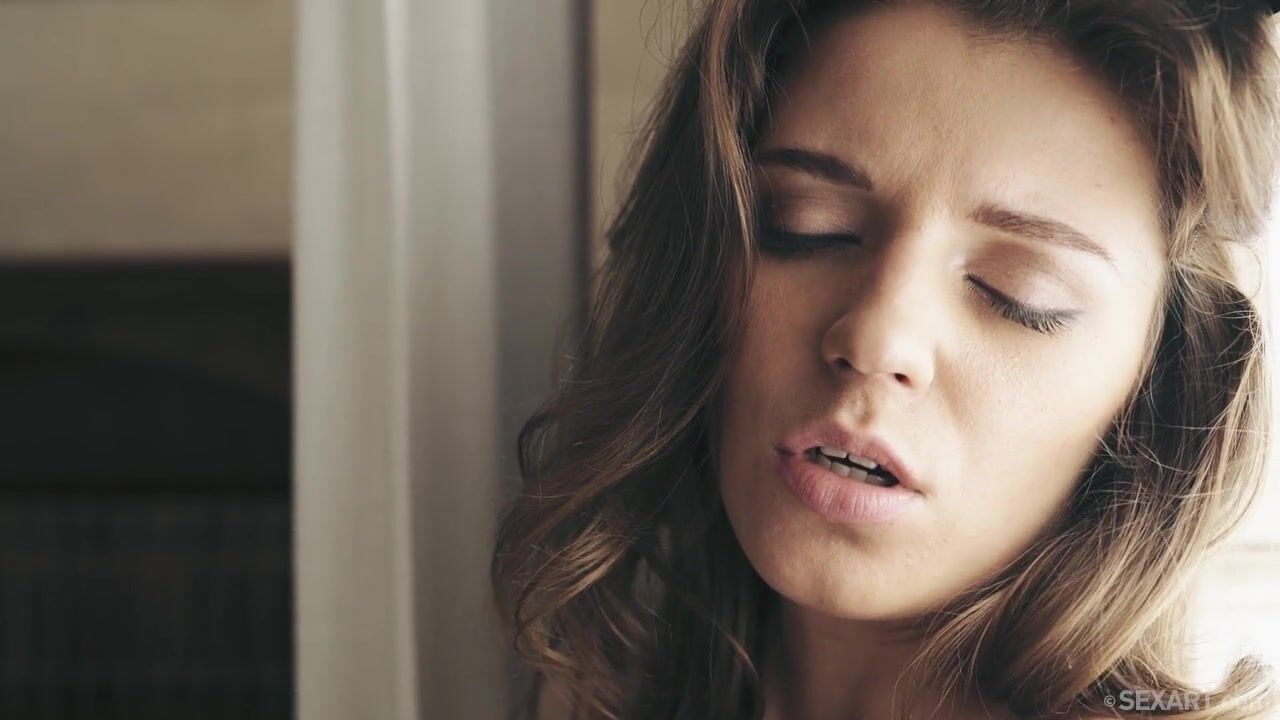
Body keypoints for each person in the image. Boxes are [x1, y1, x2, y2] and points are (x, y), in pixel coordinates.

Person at [490, 1, 1280, 718]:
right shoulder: (586, 691)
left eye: (1017, 293)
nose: (876, 338)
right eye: (808, 225)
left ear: (1160, 389)